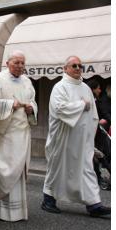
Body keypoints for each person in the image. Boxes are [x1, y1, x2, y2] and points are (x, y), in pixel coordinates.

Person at [41, 56, 110, 217]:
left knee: (86, 169)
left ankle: (94, 204)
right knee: (58, 168)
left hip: (82, 140)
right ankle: (48, 199)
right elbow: (59, 109)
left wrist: (90, 134)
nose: (78, 68)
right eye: (74, 65)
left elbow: (93, 113)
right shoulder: (60, 87)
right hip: (63, 139)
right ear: (65, 68)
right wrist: (81, 105)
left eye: (80, 65)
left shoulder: (85, 87)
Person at [0, 51, 37, 221]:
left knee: (18, 171)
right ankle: (3, 210)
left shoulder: (27, 82)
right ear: (7, 63)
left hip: (23, 132)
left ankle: (17, 211)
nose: (20, 66)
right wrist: (11, 104)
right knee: (7, 169)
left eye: (22, 63)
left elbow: (33, 100)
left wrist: (31, 109)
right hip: (5, 133)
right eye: (16, 62)